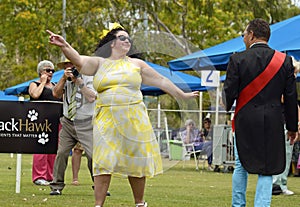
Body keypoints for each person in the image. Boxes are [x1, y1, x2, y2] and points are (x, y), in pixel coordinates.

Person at [47, 24, 199, 207]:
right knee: (103, 160)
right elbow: (79, 60)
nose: (127, 41)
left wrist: (182, 95)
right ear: (111, 43)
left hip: (134, 119)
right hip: (106, 119)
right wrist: (64, 45)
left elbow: (162, 81)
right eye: (122, 38)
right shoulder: (99, 63)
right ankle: (98, 204)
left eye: (128, 39)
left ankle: (140, 203)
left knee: (136, 161)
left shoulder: (137, 64)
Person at [222, 18, 298, 207]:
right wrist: (292, 127)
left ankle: (238, 205)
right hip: (273, 121)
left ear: (252, 35)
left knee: (241, 165)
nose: (243, 39)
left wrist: (227, 105)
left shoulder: (237, 59)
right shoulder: (284, 61)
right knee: (267, 168)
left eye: (244, 34)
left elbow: (228, 95)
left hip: (244, 120)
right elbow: (290, 98)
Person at [49, 59, 97, 195]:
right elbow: (55, 94)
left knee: (93, 156)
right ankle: (56, 187)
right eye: (66, 66)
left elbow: (92, 97)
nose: (69, 68)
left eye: (72, 65)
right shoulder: (64, 79)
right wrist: (63, 79)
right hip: (68, 122)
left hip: (86, 123)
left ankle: (99, 185)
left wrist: (79, 82)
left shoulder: (89, 77)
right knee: (62, 153)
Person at [28, 60, 61, 186]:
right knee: (41, 149)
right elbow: (35, 95)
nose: (50, 73)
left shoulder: (54, 85)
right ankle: (39, 176)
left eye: (52, 71)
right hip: (40, 121)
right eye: (48, 70)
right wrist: (42, 82)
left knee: (53, 150)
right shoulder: (34, 84)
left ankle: (50, 176)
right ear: (41, 72)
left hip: (55, 120)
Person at [272, 57, 300, 196]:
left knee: (284, 153)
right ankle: (278, 183)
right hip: (282, 121)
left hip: (281, 120)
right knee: (284, 153)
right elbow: (287, 100)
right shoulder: (284, 82)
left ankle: (279, 183)